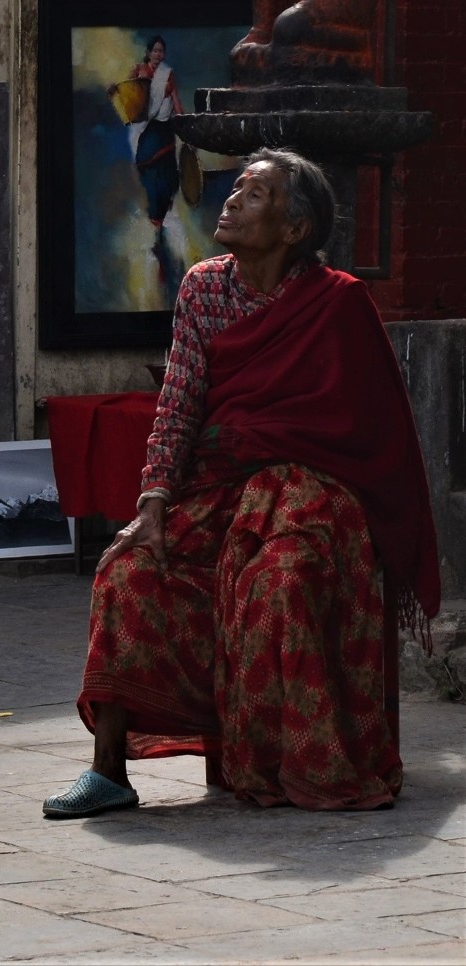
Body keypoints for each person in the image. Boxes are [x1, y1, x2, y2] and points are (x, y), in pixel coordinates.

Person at [43, 147, 440, 818]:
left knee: (278, 579)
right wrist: (154, 501)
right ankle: (109, 771)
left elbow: (376, 431)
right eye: (238, 189)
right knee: (130, 570)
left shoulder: (339, 304)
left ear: (296, 229)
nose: (231, 200)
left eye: (256, 195)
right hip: (223, 484)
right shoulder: (204, 286)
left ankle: (300, 760)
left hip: (314, 492)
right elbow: (179, 401)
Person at [109, 34, 183, 239]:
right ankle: (154, 219)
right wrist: (115, 92)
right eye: (155, 50)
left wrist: (184, 122)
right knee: (149, 172)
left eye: (161, 51)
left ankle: (164, 214)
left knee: (168, 173)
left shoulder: (168, 73)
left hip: (164, 129)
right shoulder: (139, 70)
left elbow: (175, 100)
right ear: (149, 52)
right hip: (144, 130)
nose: (158, 54)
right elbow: (129, 96)